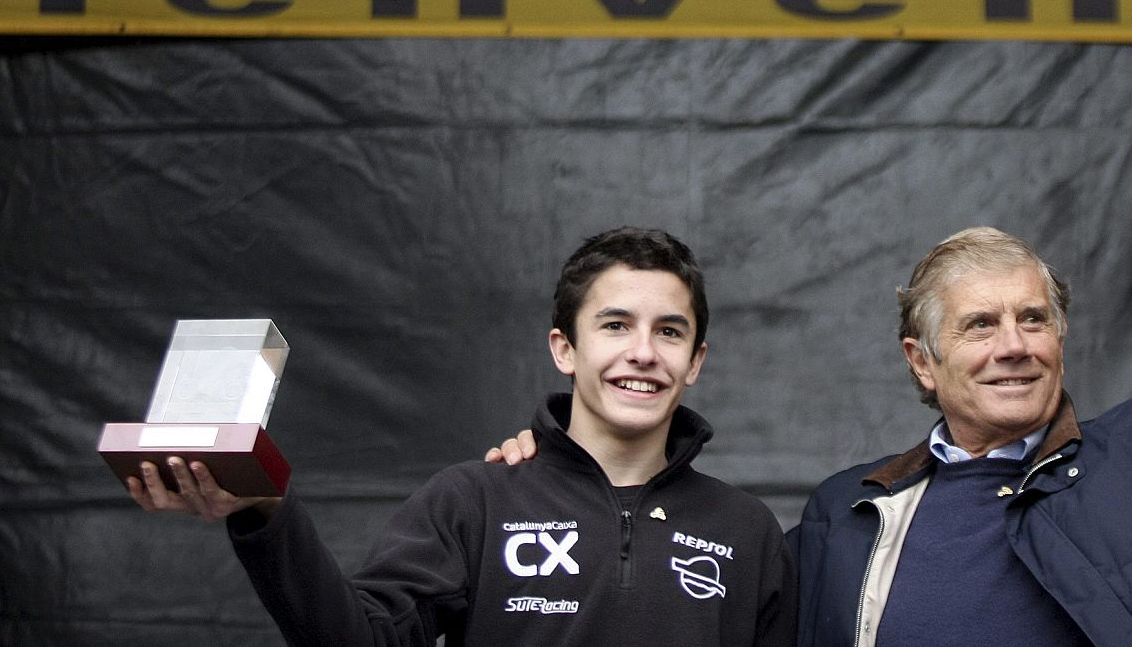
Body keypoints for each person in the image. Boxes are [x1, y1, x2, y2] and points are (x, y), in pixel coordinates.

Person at [492, 50, 1132, 646]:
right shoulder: (847, 520)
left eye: (1034, 319)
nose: (1014, 345)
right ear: (922, 363)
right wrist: (559, 469)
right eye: (980, 325)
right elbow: (682, 589)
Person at [127, 226, 796, 647]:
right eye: (616, 326)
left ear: (697, 361)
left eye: (669, 332)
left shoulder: (746, 530)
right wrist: (265, 511)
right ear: (564, 348)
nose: (643, 353)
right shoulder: (474, 500)